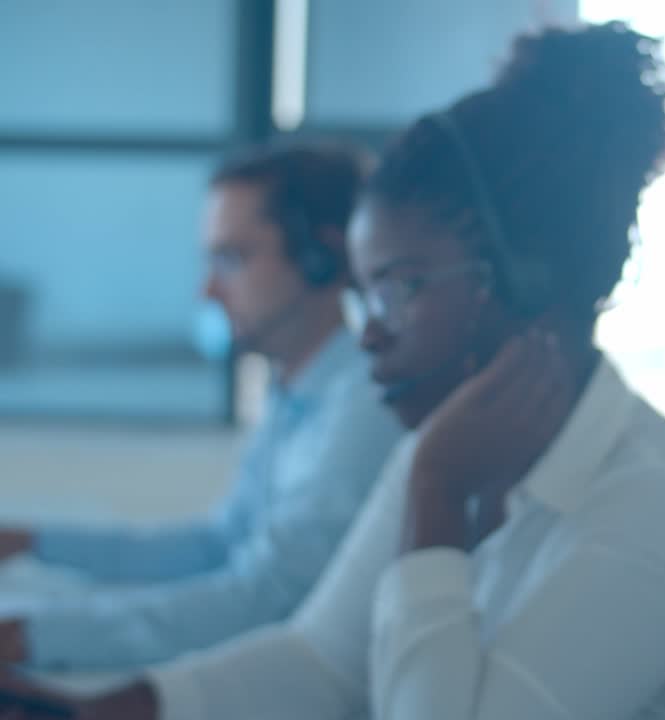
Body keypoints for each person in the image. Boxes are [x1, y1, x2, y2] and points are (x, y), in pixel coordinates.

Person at [0, 22, 665, 720]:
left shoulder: (651, 504)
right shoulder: (440, 445)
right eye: (366, 292)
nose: (367, 334)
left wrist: (435, 498)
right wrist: (92, 711)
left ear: (527, 283)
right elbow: (317, 662)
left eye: (401, 287)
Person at [0, 144, 403, 672]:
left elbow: (270, 597)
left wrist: (33, 636)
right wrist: (33, 542)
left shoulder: (364, 402)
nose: (209, 290)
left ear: (319, 258)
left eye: (231, 259)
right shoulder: (295, 394)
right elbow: (215, 548)